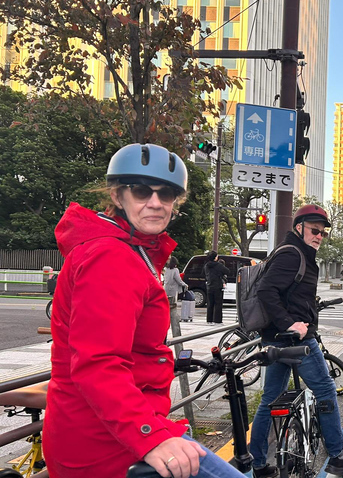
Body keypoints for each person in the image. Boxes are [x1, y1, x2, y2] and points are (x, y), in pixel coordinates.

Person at [43, 143, 247, 478]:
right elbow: (98, 363)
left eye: (165, 194)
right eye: (141, 191)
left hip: (120, 431)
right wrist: (152, 438)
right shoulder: (110, 256)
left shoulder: (131, 250)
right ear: (118, 195)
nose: (155, 203)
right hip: (105, 446)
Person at [249, 204, 343, 478]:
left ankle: (258, 464)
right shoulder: (293, 255)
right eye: (314, 230)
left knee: (270, 399)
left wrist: (307, 308)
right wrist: (290, 324)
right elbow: (266, 291)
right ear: (299, 228)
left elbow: (287, 293)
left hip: (276, 340)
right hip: (295, 341)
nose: (319, 236)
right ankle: (337, 458)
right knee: (326, 391)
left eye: (322, 232)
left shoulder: (296, 252)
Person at [203, 251, 229, 325]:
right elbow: (227, 271)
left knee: (210, 303)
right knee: (218, 303)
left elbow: (204, 274)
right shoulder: (219, 265)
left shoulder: (206, 265)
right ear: (215, 257)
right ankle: (217, 320)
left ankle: (209, 320)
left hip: (209, 285)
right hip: (218, 285)